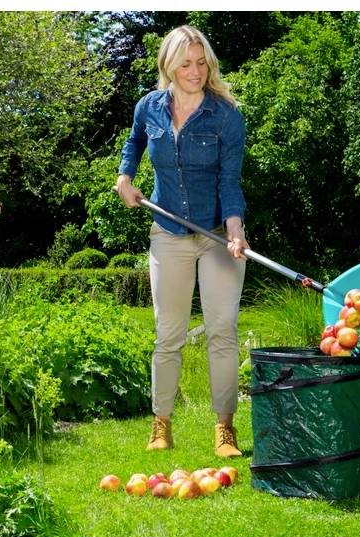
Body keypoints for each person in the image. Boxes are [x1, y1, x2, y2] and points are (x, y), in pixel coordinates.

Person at [114, 25, 248, 458]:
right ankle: (161, 423)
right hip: (168, 232)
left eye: (201, 61)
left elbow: (230, 179)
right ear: (168, 66)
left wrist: (234, 227)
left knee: (222, 331)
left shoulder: (226, 115)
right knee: (168, 334)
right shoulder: (148, 107)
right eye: (186, 63)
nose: (195, 71)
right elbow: (134, 142)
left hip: (215, 235)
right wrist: (125, 177)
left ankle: (224, 428)